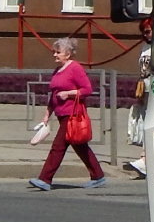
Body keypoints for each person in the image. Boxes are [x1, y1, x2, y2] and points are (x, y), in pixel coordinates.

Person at [29, 38, 106, 191]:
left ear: (68, 54)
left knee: (58, 147)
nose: (55, 55)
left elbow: (87, 89)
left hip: (73, 114)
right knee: (80, 146)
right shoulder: (57, 70)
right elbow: (54, 94)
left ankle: (45, 179)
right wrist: (47, 115)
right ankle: (98, 176)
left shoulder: (75, 68)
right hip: (61, 114)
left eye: (58, 52)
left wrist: (68, 94)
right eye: (54, 52)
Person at [125, 21, 151, 180]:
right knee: (144, 122)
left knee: (150, 123)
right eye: (143, 32)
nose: (145, 35)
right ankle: (145, 157)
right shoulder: (144, 48)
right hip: (145, 87)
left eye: (148, 31)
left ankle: (145, 159)